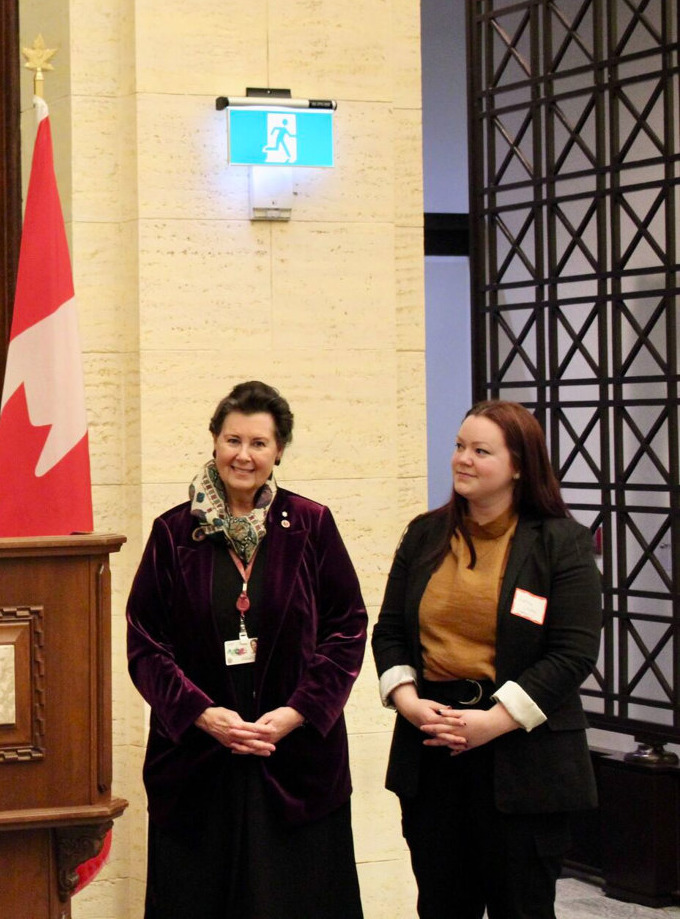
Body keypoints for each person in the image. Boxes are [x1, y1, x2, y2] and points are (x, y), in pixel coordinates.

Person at [127, 380, 367, 918]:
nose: (244, 455)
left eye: (259, 443)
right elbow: (144, 642)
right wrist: (202, 715)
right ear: (214, 441)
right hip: (199, 761)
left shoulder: (311, 524)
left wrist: (297, 713)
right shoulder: (172, 533)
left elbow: (347, 628)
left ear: (278, 450)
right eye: (233, 440)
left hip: (294, 758)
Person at [372, 400, 601, 918]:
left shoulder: (561, 543)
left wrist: (493, 722)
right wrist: (408, 702)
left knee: (521, 907)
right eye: (458, 447)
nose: (462, 460)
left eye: (480, 451)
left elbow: (573, 653)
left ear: (519, 465)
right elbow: (389, 632)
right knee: (442, 905)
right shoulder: (424, 534)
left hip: (524, 756)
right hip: (432, 747)